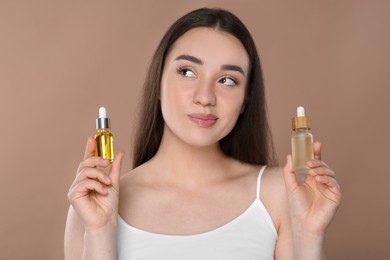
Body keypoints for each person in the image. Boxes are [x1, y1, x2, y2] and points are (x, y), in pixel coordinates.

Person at [65, 7, 341, 260]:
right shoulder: (94, 204)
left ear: (246, 99)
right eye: (187, 72)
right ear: (158, 83)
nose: (205, 97)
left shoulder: (279, 194)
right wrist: (100, 231)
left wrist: (310, 236)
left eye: (227, 80)